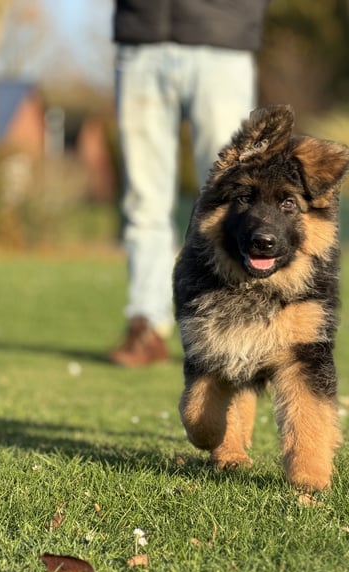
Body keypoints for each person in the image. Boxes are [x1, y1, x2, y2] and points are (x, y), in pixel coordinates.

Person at [109, 0, 271, 367]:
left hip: (223, 39)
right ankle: (146, 324)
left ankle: (237, 326)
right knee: (142, 199)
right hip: (141, 39)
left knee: (235, 194)